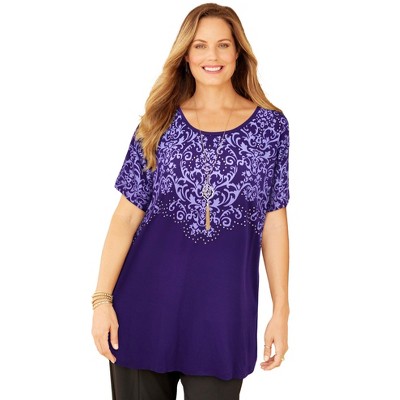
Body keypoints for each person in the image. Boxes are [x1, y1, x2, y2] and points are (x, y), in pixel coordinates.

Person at [91, 3, 290, 399]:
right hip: (143, 310)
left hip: (223, 318)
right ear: (185, 55)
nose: (211, 55)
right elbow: (126, 217)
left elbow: (274, 219)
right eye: (200, 46)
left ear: (238, 52)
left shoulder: (271, 127)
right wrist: (102, 301)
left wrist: (281, 310)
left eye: (223, 45)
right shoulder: (158, 121)